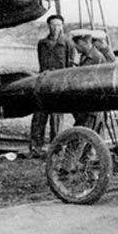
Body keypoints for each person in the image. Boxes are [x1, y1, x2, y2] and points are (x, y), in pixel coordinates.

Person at [29, 14, 74, 156]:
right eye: (53, 25)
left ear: (63, 26)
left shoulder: (68, 43)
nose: (56, 28)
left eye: (59, 25)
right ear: (48, 26)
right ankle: (35, 148)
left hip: (59, 86)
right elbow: (40, 64)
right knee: (39, 117)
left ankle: (56, 149)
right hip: (43, 84)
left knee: (56, 120)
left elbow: (71, 65)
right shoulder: (42, 43)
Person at [70, 30, 107, 132]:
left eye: (77, 46)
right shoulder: (85, 56)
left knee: (82, 136)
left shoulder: (96, 58)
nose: (76, 49)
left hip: (91, 107)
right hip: (86, 105)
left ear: (83, 43)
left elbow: (85, 79)